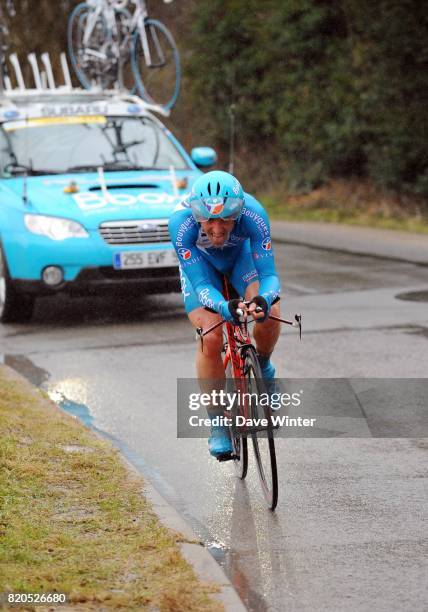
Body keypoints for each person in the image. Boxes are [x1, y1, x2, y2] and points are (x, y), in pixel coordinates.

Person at [169, 170, 281, 458]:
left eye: (225, 219)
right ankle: (217, 422)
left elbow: (269, 276)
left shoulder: (254, 214)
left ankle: (265, 367)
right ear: (196, 215)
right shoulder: (180, 223)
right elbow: (202, 284)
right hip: (202, 270)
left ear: (238, 213)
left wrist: (263, 300)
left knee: (271, 312)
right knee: (211, 336)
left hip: (240, 260)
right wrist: (223, 307)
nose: (217, 229)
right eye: (208, 220)